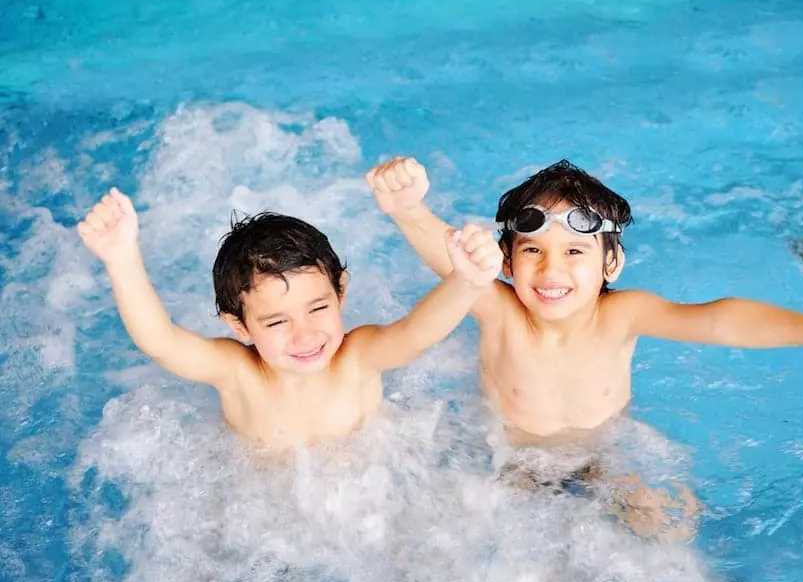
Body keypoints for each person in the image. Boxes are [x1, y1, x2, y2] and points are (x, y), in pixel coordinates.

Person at [369, 157, 803, 537]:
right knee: (481, 539)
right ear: (506, 263)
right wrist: (407, 210)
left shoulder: (623, 315)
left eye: (575, 251)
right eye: (533, 252)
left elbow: (715, 321)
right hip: (514, 459)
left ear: (610, 265)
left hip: (602, 453)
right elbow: (450, 257)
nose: (551, 271)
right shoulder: (500, 311)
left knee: (672, 523)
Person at [77, 180, 502, 448]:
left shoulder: (356, 359)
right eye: (277, 322)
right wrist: (121, 258)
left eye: (318, 308)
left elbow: (416, 333)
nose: (305, 335)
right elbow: (162, 342)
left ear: (341, 292)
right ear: (238, 325)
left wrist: (465, 282)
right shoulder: (238, 373)